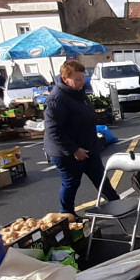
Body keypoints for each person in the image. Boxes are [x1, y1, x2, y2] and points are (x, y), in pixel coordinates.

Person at [43, 60, 119, 216]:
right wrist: (74, 150)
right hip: (67, 153)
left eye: (82, 78)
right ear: (65, 79)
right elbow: (53, 131)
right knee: (71, 183)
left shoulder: (79, 93)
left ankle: (116, 202)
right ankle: (67, 214)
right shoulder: (56, 100)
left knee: (100, 177)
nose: (81, 82)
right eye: (77, 79)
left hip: (88, 147)